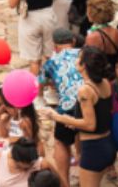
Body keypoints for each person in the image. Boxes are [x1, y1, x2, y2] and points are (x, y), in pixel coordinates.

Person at [38, 47, 116, 187]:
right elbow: (100, 114)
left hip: (93, 149)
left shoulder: (85, 90)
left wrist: (56, 117)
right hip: (107, 144)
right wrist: (74, 123)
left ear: (84, 65)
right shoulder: (105, 83)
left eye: (79, 58)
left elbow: (90, 124)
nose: (76, 60)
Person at [40, 28, 84, 180]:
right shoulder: (85, 55)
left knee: (60, 143)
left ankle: (65, 182)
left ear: (55, 46)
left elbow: (41, 82)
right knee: (85, 136)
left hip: (68, 107)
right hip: (89, 103)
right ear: (73, 41)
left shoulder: (52, 62)